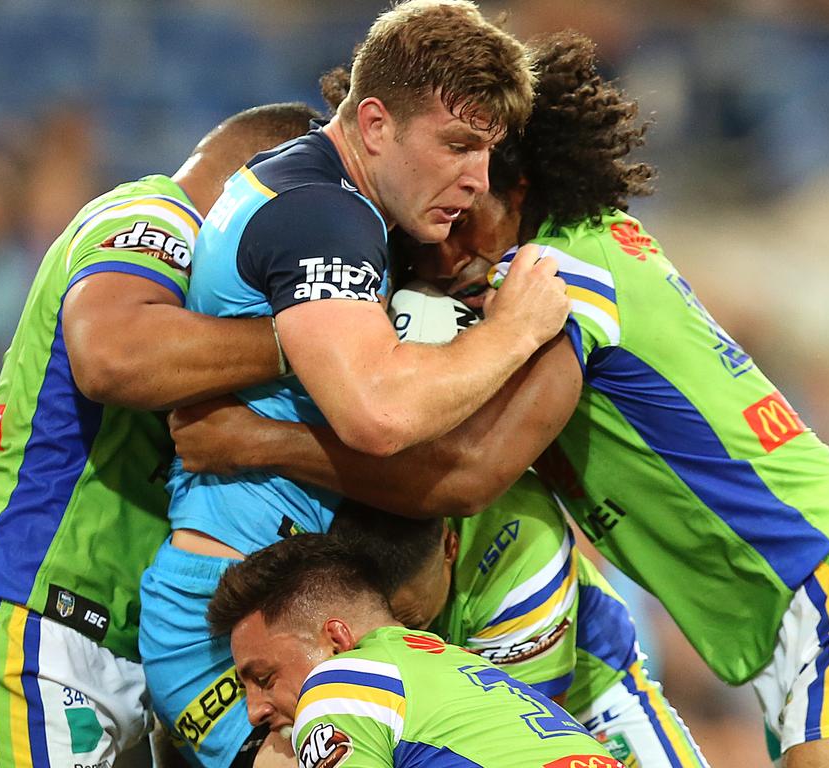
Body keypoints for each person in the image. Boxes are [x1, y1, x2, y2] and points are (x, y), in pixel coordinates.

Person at [174, 31, 829, 767]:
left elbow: (470, 475)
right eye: (427, 231)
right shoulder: (549, 264)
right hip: (783, 619)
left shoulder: (564, 271)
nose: (443, 253)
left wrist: (258, 441)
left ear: (520, 183)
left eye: (464, 215)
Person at [139, 4, 573, 767]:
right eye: (458, 146)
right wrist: (518, 328)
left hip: (263, 602)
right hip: (246, 627)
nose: (475, 181)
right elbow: (377, 413)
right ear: (375, 124)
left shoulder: (321, 198)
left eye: (488, 153)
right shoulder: (322, 217)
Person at [0, 102, 320, 768]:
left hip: (74, 659)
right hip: (23, 646)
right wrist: (314, 339)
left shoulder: (213, 295)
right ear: (261, 187)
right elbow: (113, 357)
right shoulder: (156, 215)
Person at [328, 479, 710, 768]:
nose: (397, 634)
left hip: (587, 706)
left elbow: (529, 739)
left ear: (449, 546)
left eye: (411, 618)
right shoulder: (335, 563)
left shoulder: (523, 551)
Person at [206, 534, 626, 768]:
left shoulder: (338, 684)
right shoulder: (464, 669)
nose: (254, 712)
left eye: (264, 678)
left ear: (336, 641)